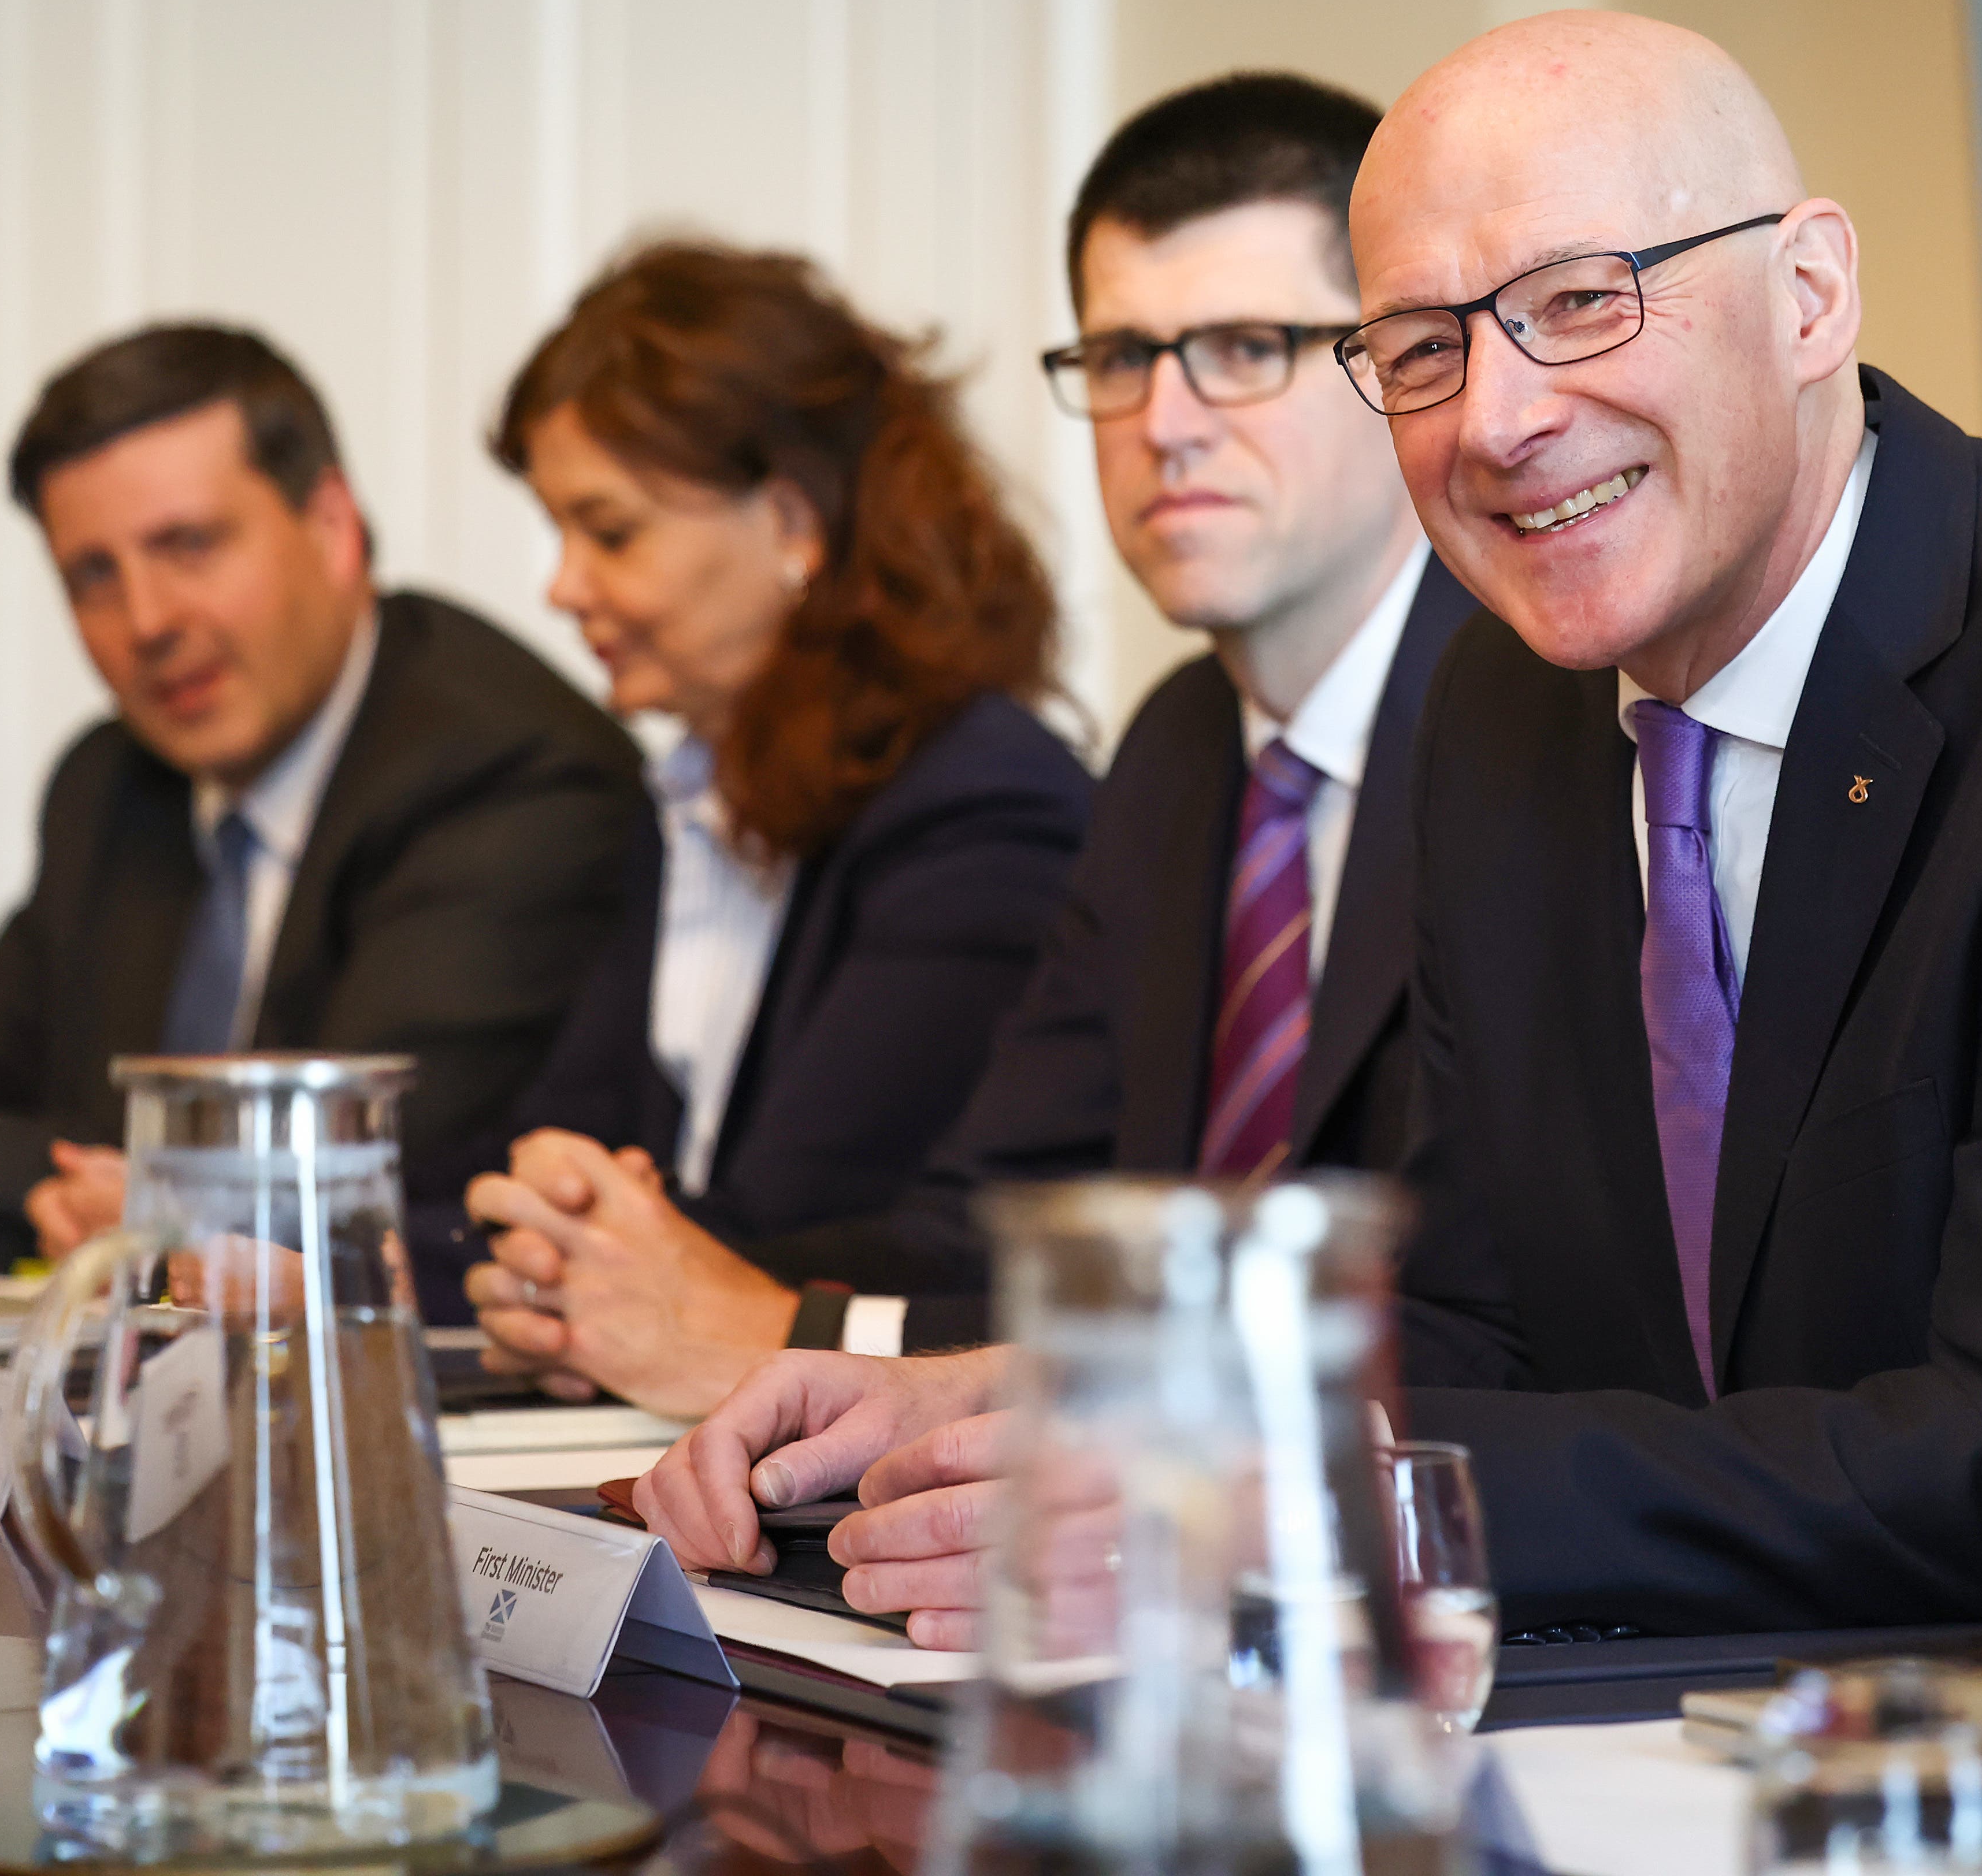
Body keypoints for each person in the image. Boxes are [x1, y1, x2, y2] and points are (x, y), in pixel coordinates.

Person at [634, 13, 1982, 1658]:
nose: (1499, 421)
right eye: (1420, 349)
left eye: (1582, 302)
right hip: (1663, 1702)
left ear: (1810, 295)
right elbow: (1481, 1332)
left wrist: (1291, 1513)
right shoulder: (1502, 709)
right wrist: (1040, 1401)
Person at [465, 76, 1468, 1407]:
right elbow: (995, 1229)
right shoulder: (1179, 753)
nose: (1166, 423)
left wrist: (768, 1328)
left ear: (1392, 360)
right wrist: (629, 1272)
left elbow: (1464, 1318)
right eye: (1121, 359)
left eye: (1241, 348)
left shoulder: (1546, 719)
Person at [439, 242, 1090, 1359]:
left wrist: (523, 1263)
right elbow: (556, 1146)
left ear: (793, 523)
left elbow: (790, 1235)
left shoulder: (984, 811)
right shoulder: (695, 792)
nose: (562, 587)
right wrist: (524, 1234)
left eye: (610, 531)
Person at [0, 324, 643, 1271]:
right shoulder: (111, 785)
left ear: (332, 529)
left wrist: (147, 1199)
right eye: (94, 575)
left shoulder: (505, 772)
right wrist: (69, 1191)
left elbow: (337, 1178)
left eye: (189, 544)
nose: (149, 621)